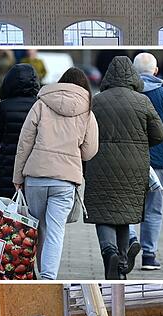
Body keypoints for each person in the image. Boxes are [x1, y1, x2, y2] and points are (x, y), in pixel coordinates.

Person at [84, 56, 163, 280]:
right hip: (134, 165)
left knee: (103, 213)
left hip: (99, 162)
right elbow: (160, 133)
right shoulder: (142, 101)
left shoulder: (97, 101)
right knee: (124, 213)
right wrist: (138, 144)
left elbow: (85, 133)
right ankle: (121, 263)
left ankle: (109, 252)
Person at [13, 68, 99, 280]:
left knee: (38, 228)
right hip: (65, 180)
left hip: (35, 177)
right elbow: (89, 152)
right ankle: (48, 277)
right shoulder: (88, 111)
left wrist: (17, 177)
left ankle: (37, 272)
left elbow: (24, 143)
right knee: (55, 230)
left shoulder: (41, 103)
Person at [127, 52, 163, 271]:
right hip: (157, 163)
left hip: (129, 161)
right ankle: (149, 256)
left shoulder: (127, 93)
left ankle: (130, 240)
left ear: (133, 72)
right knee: (153, 210)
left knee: (128, 206)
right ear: (156, 71)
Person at [0, 64, 40, 198]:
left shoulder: (4, 106)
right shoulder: (39, 105)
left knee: (8, 213)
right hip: (33, 166)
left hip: (8, 167)